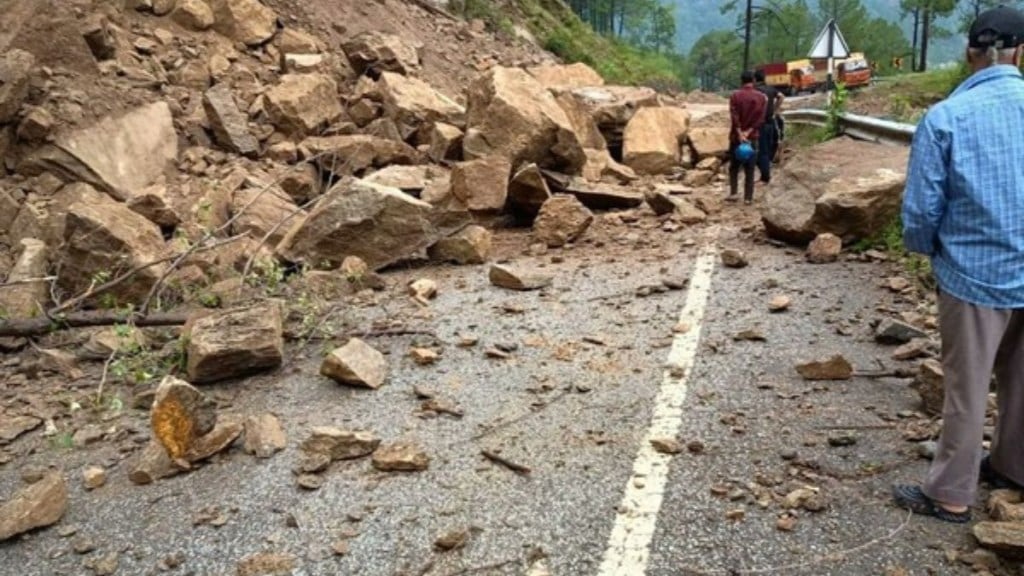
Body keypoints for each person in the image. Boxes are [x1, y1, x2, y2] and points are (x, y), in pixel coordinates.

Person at [894, 5, 1024, 523]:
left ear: (971, 52)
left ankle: (950, 494)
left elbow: (921, 210)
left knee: (967, 389)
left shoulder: (946, 117)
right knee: (1022, 379)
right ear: (1020, 54)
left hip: (973, 274)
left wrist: (929, 252)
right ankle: (1014, 466)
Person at [728, 70, 767, 205]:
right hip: (753, 137)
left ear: (741, 81)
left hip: (736, 138)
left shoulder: (735, 96)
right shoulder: (761, 97)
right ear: (754, 81)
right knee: (750, 168)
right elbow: (761, 118)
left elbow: (734, 116)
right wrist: (748, 132)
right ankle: (748, 198)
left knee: (734, 166)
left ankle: (733, 193)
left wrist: (740, 133)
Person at [754, 69, 785, 183]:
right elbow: (781, 96)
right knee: (768, 147)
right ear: (764, 78)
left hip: (759, 123)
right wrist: (775, 110)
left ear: (755, 79)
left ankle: (765, 176)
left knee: (761, 151)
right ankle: (767, 167)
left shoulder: (755, 90)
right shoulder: (771, 89)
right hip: (770, 122)